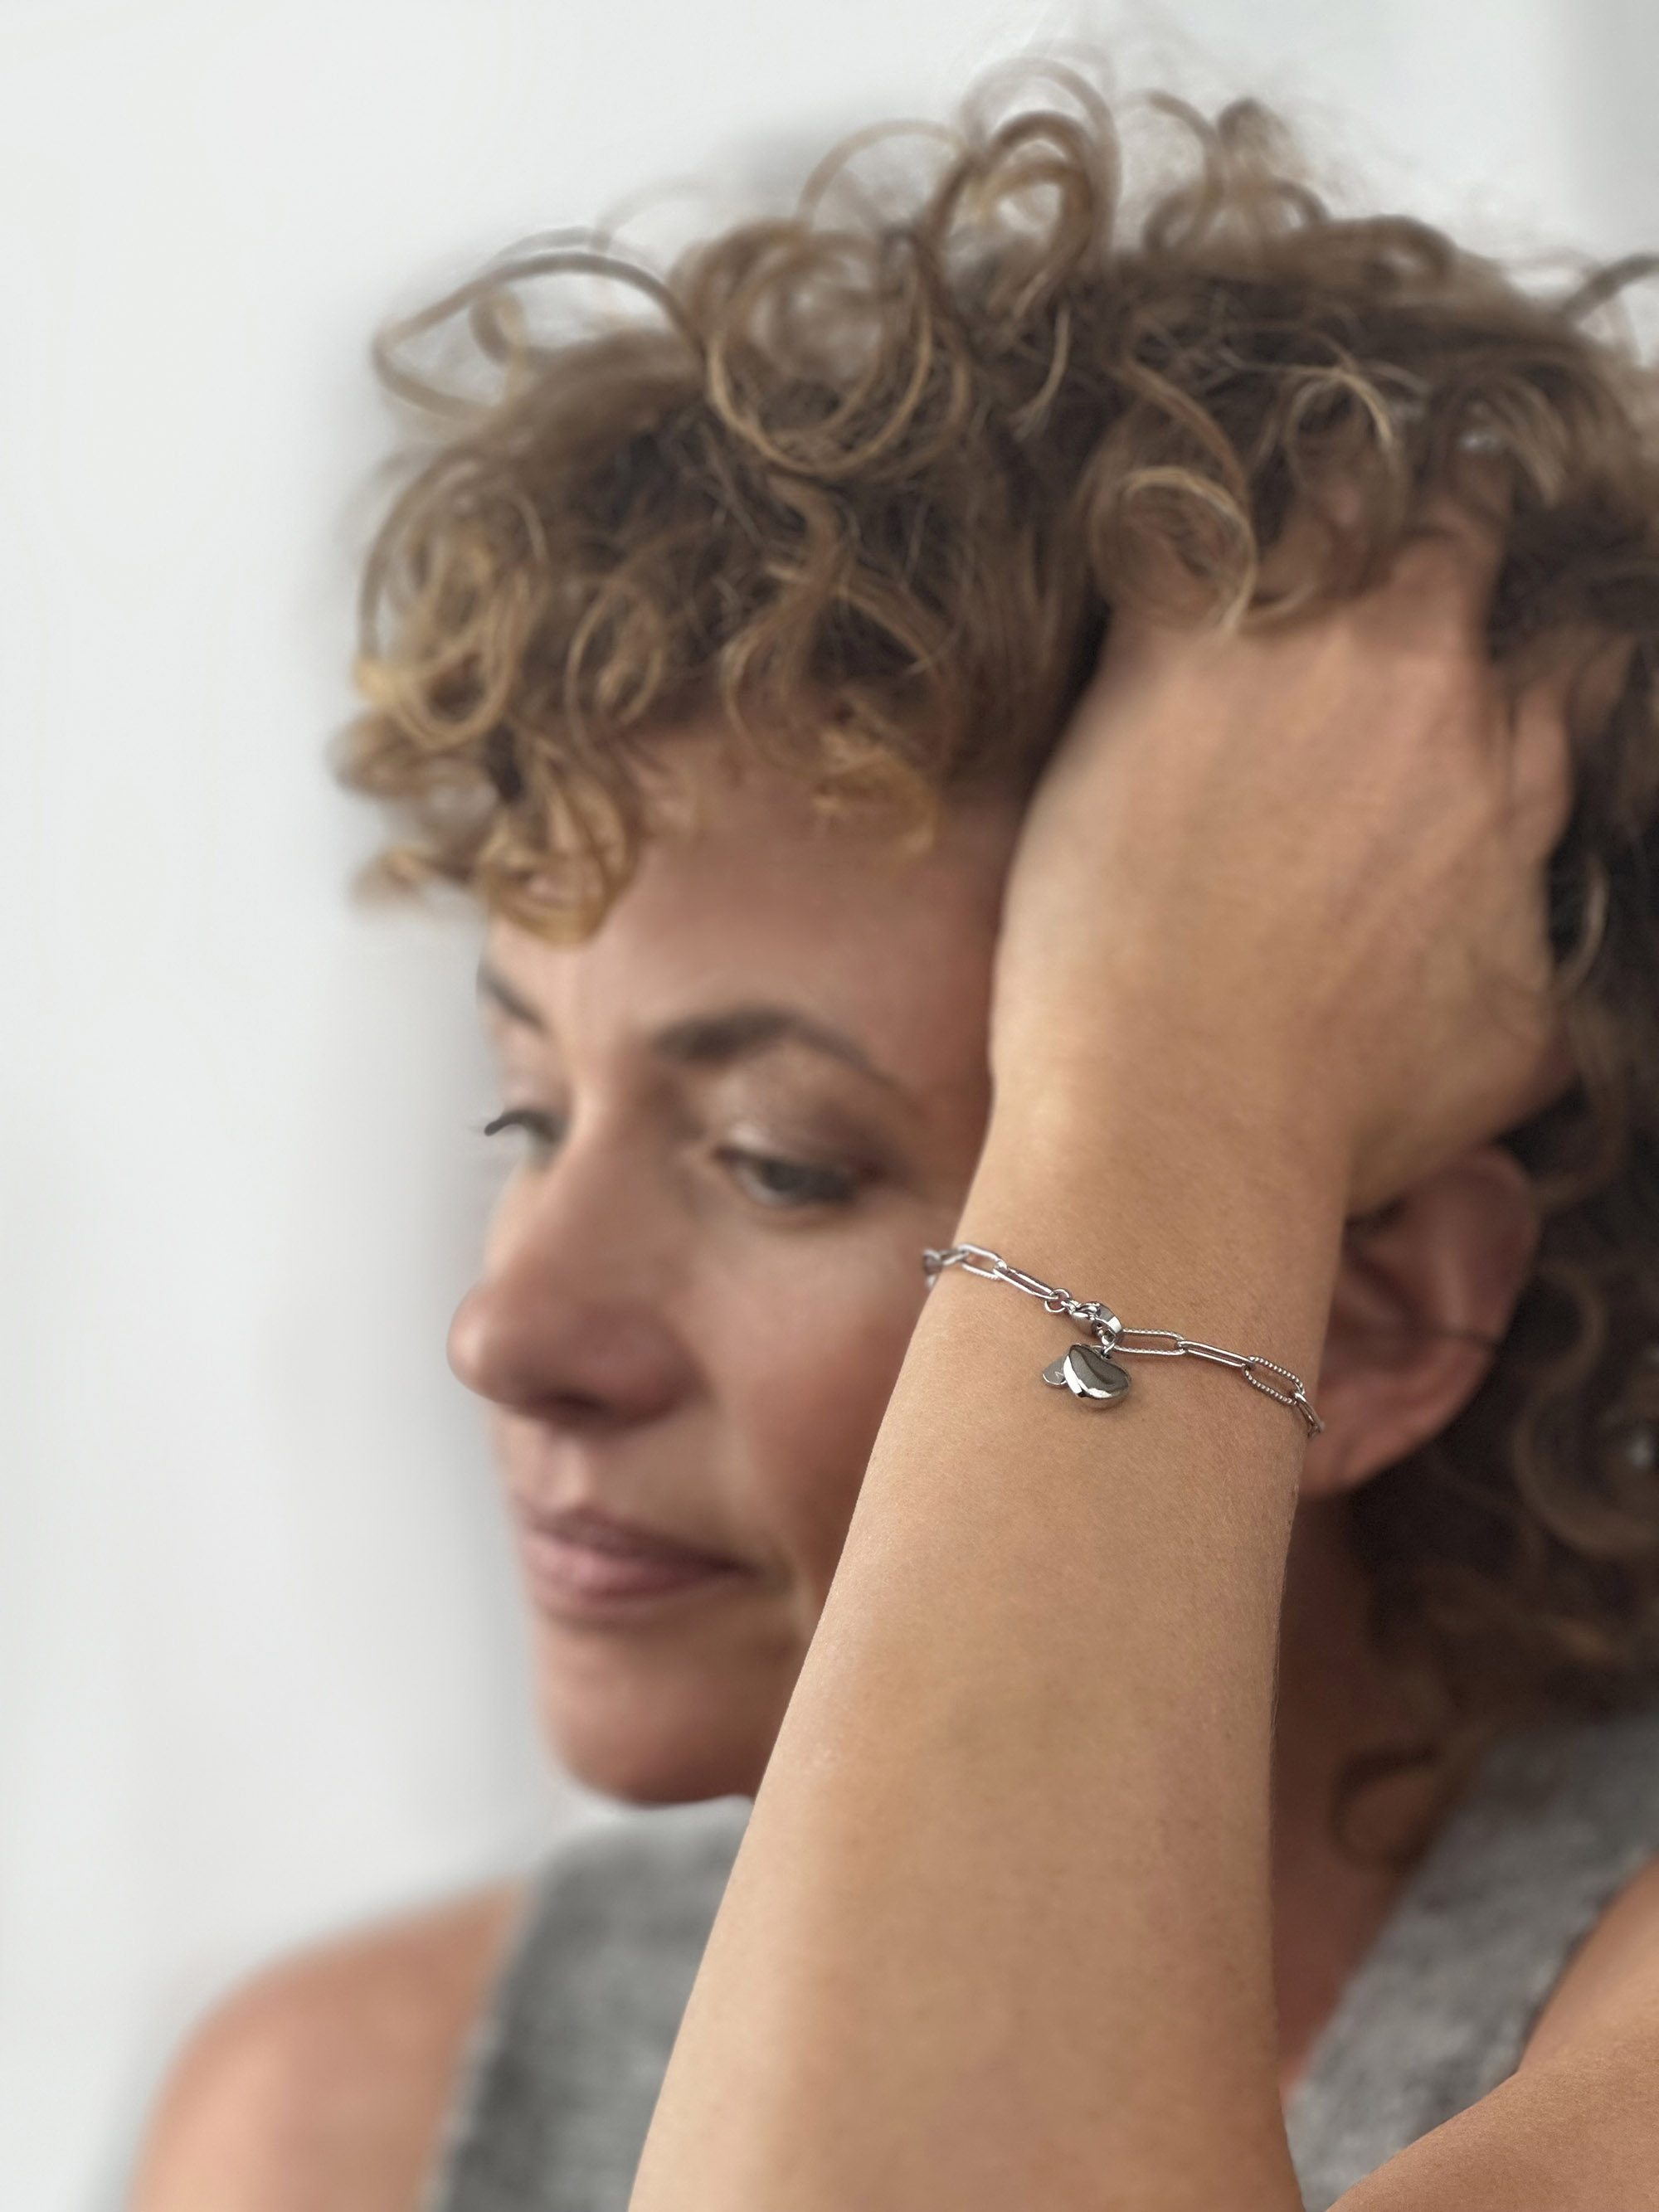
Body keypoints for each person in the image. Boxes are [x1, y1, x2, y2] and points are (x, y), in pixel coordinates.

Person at [132, 74, 1659, 2212]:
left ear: (1379, 1308)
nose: (509, 1332)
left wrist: (1178, 1081)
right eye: (530, 1111)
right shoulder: (346, 2122)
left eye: (780, 1161)